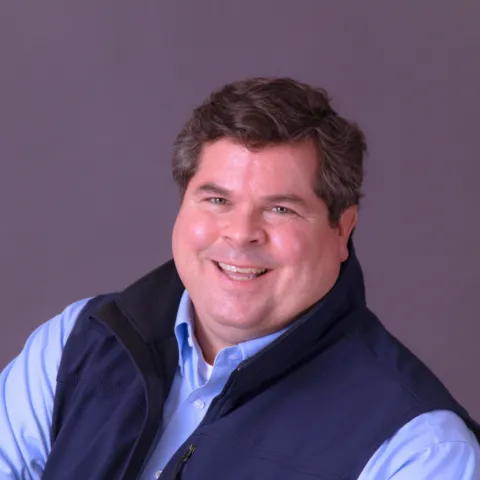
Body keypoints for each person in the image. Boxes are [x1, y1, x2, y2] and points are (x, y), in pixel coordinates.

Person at [1, 77, 479, 480]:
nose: (241, 233)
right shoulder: (77, 344)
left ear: (342, 229)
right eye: (217, 200)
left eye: (280, 209)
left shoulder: (419, 449)